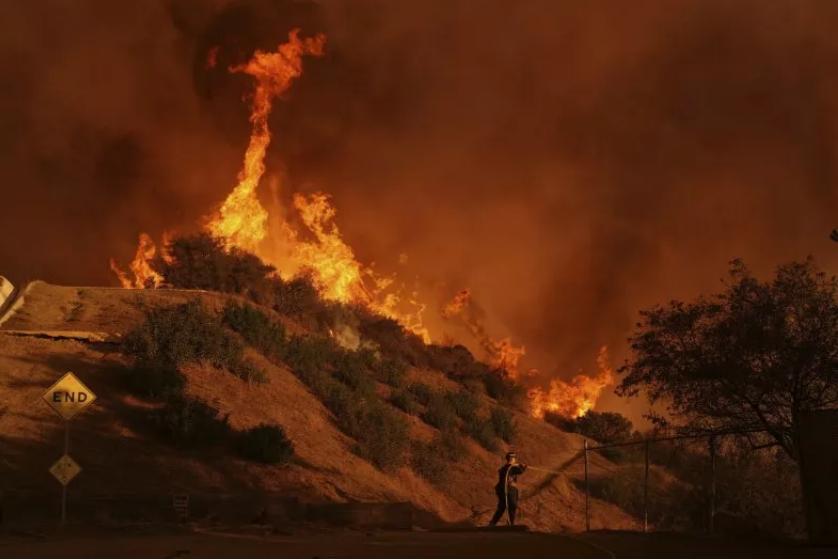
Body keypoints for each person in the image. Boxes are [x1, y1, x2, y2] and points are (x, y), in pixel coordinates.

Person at [489, 451, 527, 526]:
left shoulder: (504, 468)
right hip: (509, 489)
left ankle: (493, 523)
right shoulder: (511, 467)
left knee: (502, 507)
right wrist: (523, 466)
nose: (514, 460)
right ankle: (510, 524)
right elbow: (520, 471)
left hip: (501, 489)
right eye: (514, 458)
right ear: (512, 459)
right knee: (512, 505)